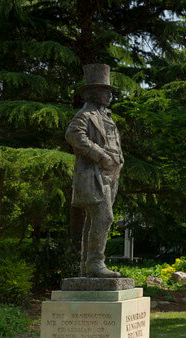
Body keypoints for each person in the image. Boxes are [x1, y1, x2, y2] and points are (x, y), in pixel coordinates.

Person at [66, 64, 124, 278]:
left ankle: (87, 265)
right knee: (104, 217)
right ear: (94, 93)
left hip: (111, 175)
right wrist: (101, 155)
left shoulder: (106, 116)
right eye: (105, 91)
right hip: (95, 173)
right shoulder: (85, 115)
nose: (109, 95)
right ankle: (96, 263)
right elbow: (73, 135)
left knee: (94, 220)